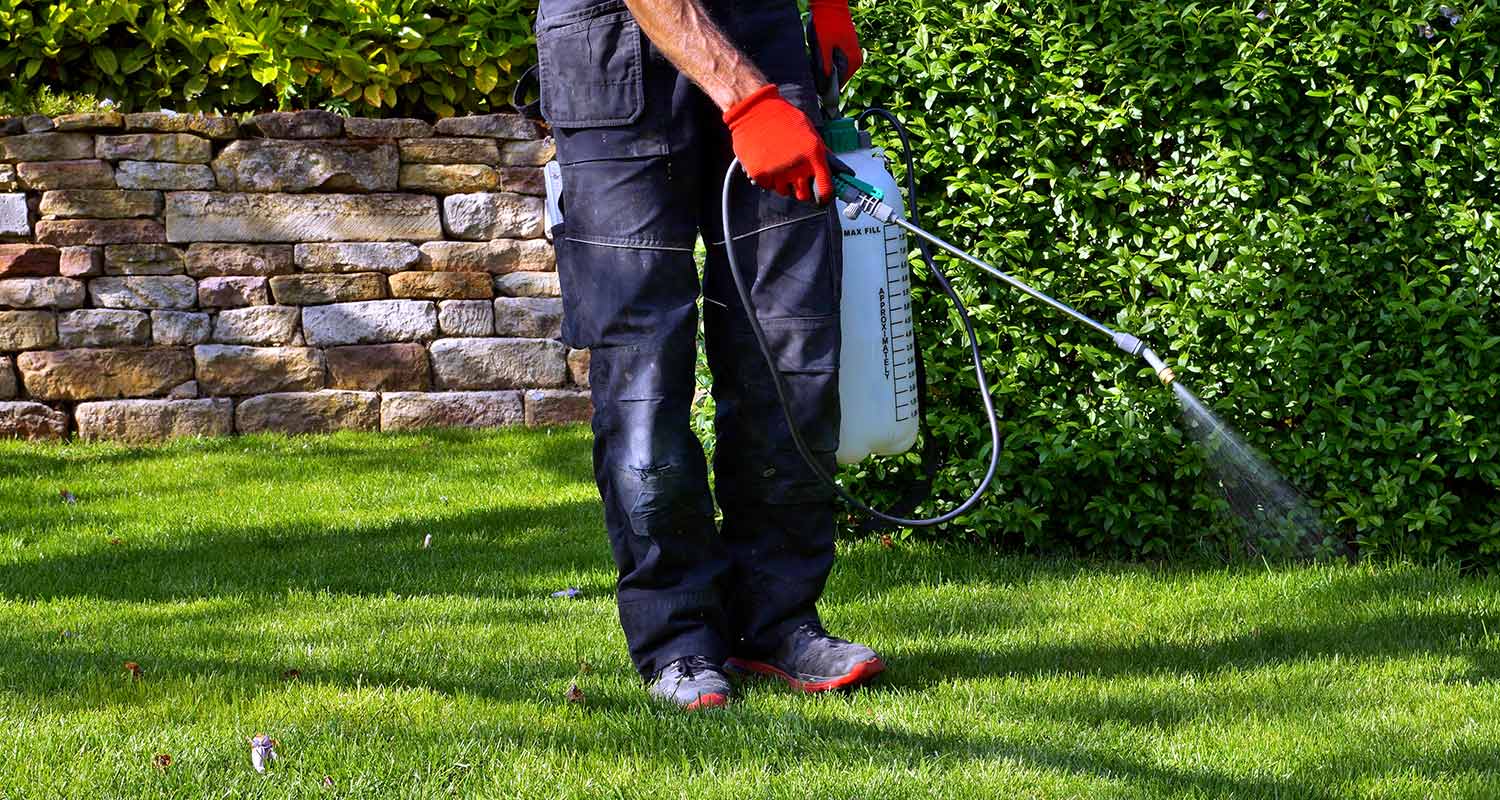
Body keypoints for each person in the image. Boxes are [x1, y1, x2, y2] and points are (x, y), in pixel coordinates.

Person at [534, 0, 883, 710]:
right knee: (642, 373)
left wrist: (826, 7)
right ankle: (679, 637)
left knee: (792, 352)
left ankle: (779, 621)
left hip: (766, 39)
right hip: (612, 49)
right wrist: (747, 98)